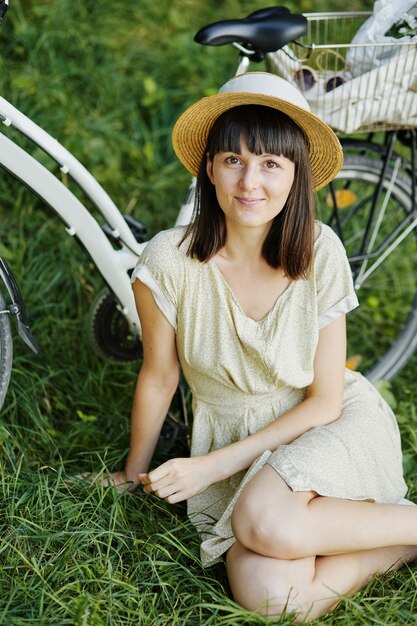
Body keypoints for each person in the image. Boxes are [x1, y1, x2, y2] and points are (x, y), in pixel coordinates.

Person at [106, 73, 417, 621]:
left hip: (323, 424)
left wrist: (206, 468)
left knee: (268, 523)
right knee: (275, 602)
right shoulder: (168, 262)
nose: (250, 181)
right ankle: (397, 537)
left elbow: (324, 401)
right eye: (233, 159)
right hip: (234, 434)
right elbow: (159, 377)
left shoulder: (321, 252)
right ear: (209, 167)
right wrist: (135, 472)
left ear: (296, 176)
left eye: (272, 164)